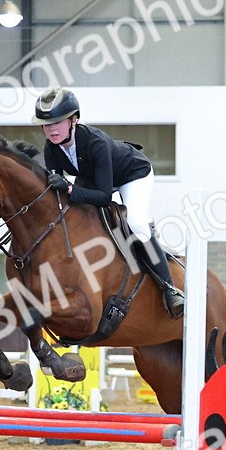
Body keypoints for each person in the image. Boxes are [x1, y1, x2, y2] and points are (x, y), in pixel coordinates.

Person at [33, 87, 185, 320]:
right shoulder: (51, 148)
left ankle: (170, 288)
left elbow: (104, 196)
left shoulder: (96, 143)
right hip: (94, 177)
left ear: (74, 120)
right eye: (46, 124)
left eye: (58, 122)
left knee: (134, 222)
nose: (51, 129)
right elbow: (58, 191)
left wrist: (71, 188)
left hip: (132, 175)